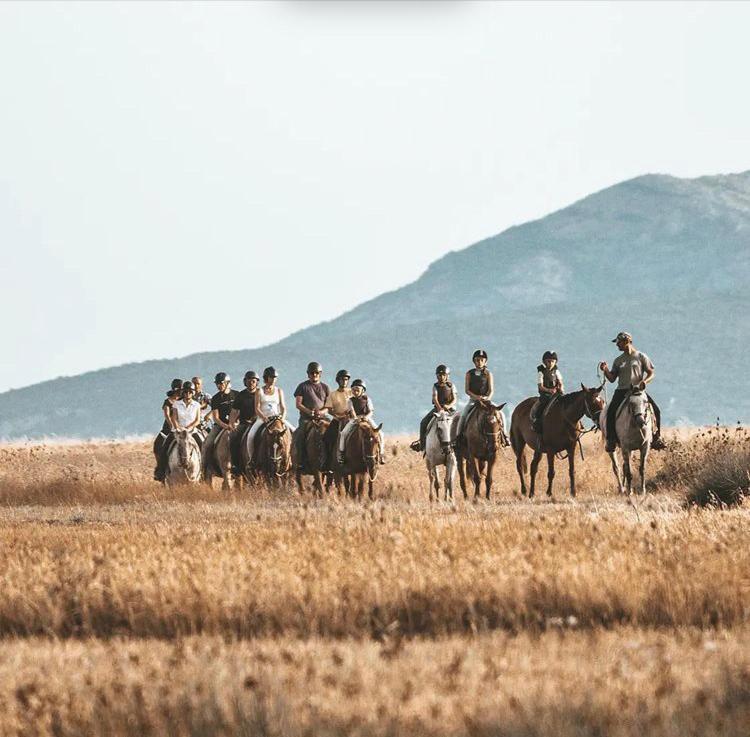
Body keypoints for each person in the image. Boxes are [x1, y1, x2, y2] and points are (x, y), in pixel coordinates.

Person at [599, 331, 665, 452]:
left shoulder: (641, 356)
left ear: (627, 341)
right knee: (610, 412)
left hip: (637, 391)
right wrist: (606, 370)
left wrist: (645, 382)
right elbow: (612, 379)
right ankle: (611, 440)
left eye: (618, 342)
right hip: (621, 391)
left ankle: (656, 437)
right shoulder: (618, 360)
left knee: (656, 409)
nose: (617, 345)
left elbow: (651, 373)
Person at [245, 366, 294, 466]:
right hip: (263, 419)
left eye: (275, 377)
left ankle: (292, 459)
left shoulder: (279, 391)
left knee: (294, 431)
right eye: (271, 377)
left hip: (277, 418)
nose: (273, 380)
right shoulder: (259, 391)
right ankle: (252, 459)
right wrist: (264, 418)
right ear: (266, 378)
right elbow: (257, 408)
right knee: (250, 436)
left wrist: (282, 418)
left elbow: (283, 407)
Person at [155, 381, 202, 480]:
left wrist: (189, 428)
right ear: (183, 392)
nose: (187, 394)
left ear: (193, 393)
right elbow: (174, 418)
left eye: (190, 392)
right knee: (165, 447)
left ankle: (205, 470)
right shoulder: (177, 404)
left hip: (192, 431)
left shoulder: (197, 405)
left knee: (203, 445)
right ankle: (161, 471)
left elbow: (197, 420)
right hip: (177, 431)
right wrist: (178, 428)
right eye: (185, 392)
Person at [337, 379, 385, 465]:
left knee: (381, 433)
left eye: (357, 390)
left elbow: (371, 411)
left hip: (367, 418)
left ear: (362, 390)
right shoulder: (350, 400)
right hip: (355, 419)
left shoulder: (367, 399)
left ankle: (381, 453)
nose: (355, 392)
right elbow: (352, 411)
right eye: (353, 390)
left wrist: (366, 417)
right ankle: (341, 454)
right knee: (343, 433)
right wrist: (356, 419)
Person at [293, 361, 331, 470]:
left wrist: (321, 412)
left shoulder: (325, 387)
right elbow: (298, 404)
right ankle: (301, 461)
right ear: (308, 374)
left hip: (322, 417)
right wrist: (309, 412)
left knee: (334, 432)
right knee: (300, 435)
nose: (314, 375)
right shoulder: (302, 386)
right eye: (312, 373)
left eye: (316, 373)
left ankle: (334, 461)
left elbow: (328, 406)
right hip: (306, 418)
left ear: (320, 373)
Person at [411, 365, 457, 452]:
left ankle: (460, 442)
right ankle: (422, 443)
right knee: (423, 422)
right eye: (439, 375)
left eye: (444, 375)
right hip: (438, 409)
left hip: (450, 410)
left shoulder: (452, 386)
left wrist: (449, 406)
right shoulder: (435, 386)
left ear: (447, 375)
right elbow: (435, 398)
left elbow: (455, 399)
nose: (442, 377)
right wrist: (440, 408)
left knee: (460, 422)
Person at [202, 372, 238, 470]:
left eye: (221, 383)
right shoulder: (215, 398)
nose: (219, 386)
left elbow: (240, 411)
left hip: (236, 424)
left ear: (227, 383)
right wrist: (226, 426)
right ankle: (205, 468)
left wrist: (234, 423)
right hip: (220, 425)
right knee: (207, 444)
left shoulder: (236, 395)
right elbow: (216, 418)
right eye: (217, 384)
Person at [455, 349, 494, 441]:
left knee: (500, 414)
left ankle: (504, 435)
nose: (479, 362)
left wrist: (486, 398)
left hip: (486, 400)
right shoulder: (469, 373)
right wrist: (476, 397)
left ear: (485, 361)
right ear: (474, 361)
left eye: (482, 360)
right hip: (473, 401)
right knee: (463, 415)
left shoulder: (488, 373)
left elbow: (491, 390)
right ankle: (458, 437)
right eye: (477, 360)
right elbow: (467, 390)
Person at [228, 370, 259, 474]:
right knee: (233, 438)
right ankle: (236, 465)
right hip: (244, 424)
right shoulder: (241, 395)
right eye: (249, 381)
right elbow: (234, 411)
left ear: (257, 382)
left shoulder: (260, 393)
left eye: (253, 381)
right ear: (245, 382)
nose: (251, 383)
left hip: (258, 423)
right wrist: (231, 423)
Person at [153, 378, 183, 480]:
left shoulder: (183, 401)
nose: (180, 392)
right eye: (179, 390)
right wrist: (172, 426)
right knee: (158, 444)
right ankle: (161, 470)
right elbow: (167, 415)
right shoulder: (168, 401)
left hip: (182, 427)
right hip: (168, 428)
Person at [322, 369, 352, 467]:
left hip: (351, 420)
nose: (344, 381)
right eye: (342, 379)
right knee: (327, 438)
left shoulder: (351, 392)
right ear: (338, 380)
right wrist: (337, 416)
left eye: (346, 379)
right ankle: (327, 462)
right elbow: (329, 409)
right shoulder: (333, 394)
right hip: (337, 420)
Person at [531, 351, 564, 435]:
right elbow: (540, 386)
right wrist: (549, 390)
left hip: (556, 393)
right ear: (544, 362)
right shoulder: (541, 372)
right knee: (542, 405)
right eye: (548, 361)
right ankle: (537, 421)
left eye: (553, 361)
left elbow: (560, 382)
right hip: (545, 394)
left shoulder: (556, 371)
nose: (550, 363)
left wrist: (561, 388)